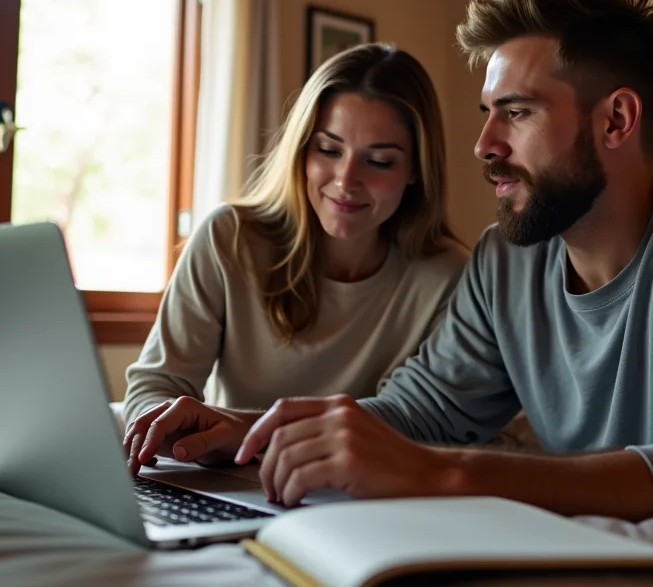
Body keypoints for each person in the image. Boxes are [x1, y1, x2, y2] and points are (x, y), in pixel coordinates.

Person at [136, 0, 653, 521]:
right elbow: (419, 414)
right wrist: (252, 429)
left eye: (515, 113)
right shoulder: (505, 260)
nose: (483, 145)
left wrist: (445, 475)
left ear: (616, 120)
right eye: (488, 114)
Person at [122, 44, 468, 473]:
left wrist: (247, 433)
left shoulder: (449, 277)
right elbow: (156, 384)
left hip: (358, 499)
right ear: (302, 150)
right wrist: (167, 428)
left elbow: (417, 423)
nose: (346, 181)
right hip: (230, 483)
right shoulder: (228, 240)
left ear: (416, 169)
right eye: (328, 150)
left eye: (379, 161)